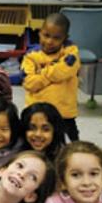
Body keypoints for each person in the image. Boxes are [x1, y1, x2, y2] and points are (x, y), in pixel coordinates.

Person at [21, 12, 81, 142]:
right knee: (32, 143)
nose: (49, 41)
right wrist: (53, 73)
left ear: (65, 38)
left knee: (72, 147)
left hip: (64, 111)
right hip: (36, 110)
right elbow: (29, 83)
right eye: (46, 35)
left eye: (56, 38)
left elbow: (66, 70)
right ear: (40, 32)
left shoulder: (71, 52)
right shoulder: (31, 55)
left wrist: (42, 74)